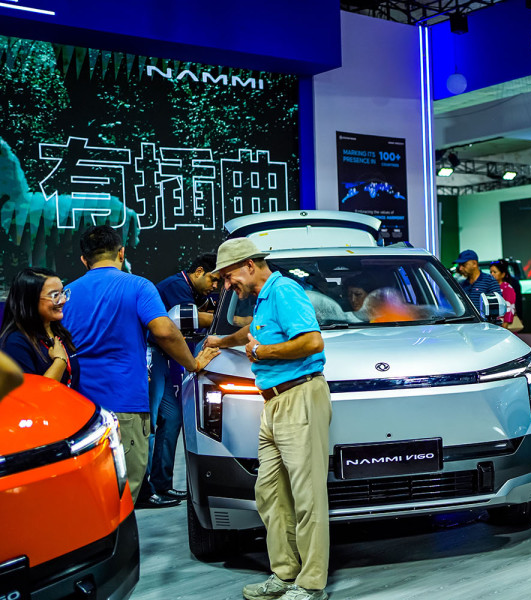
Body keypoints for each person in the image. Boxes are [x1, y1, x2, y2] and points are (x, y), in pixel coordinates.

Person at [204, 238, 331, 600]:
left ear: (249, 265)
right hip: (274, 403)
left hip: (299, 398)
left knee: (307, 497)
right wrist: (220, 342)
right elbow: (251, 332)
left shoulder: (284, 290)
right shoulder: (263, 299)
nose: (227, 285)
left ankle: (311, 584)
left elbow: (312, 342)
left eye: (228, 276)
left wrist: (260, 352)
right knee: (270, 493)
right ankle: (285, 574)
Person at [62, 225, 218, 506]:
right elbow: (165, 331)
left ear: (84, 259)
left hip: (80, 407)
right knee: (124, 496)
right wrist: (193, 363)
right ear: (121, 253)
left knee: (90, 494)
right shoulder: (138, 286)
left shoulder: (67, 293)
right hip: (125, 403)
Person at [144, 253, 221, 507]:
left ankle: (162, 485)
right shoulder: (177, 286)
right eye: (213, 280)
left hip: (166, 359)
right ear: (198, 272)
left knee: (172, 419)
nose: (215, 286)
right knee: (150, 424)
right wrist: (233, 320)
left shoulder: (193, 290)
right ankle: (145, 490)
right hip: (152, 357)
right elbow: (190, 319)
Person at [0, 267, 80, 388]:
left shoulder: (59, 332)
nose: (63, 300)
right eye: (55, 295)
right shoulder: (15, 343)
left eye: (63, 293)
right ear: (30, 300)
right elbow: (31, 394)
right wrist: (60, 361)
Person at [490, 259, 518, 329]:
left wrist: (506, 323)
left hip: (503, 324)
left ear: (503, 274)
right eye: (491, 272)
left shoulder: (507, 288)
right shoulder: (490, 287)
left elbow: (510, 306)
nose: (492, 274)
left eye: (494, 272)